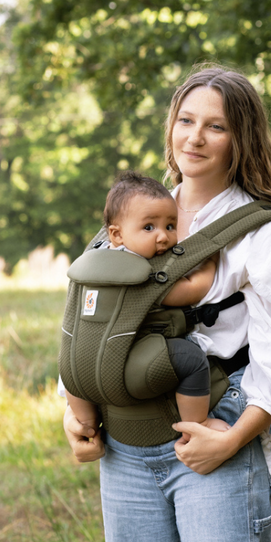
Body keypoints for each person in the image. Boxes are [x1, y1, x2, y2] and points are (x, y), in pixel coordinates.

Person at [61, 65, 271, 542]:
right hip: (128, 446)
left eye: (216, 127)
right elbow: (91, 323)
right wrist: (75, 414)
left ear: (242, 140)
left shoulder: (262, 233)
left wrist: (233, 439)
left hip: (214, 435)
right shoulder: (135, 214)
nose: (195, 138)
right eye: (186, 120)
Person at [64, 169, 229, 435]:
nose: (163, 236)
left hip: (79, 370)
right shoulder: (141, 272)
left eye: (171, 226)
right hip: (126, 370)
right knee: (192, 360)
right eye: (149, 227)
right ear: (117, 235)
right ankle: (196, 424)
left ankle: (86, 425)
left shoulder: (93, 260)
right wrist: (208, 261)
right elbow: (191, 291)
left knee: (73, 365)